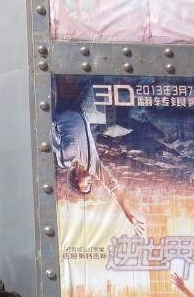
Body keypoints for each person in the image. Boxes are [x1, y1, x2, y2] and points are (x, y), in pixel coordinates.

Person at [52, 89, 146, 237]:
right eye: (90, 186)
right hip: (79, 107)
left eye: (86, 186)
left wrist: (52, 115)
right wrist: (129, 215)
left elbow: (53, 137)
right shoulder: (93, 165)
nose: (90, 183)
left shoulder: (63, 162)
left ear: (76, 181)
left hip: (59, 109)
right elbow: (115, 190)